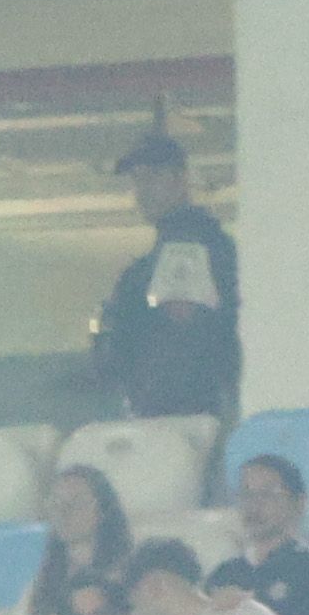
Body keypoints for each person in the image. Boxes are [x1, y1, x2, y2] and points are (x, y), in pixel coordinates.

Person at [92, 133, 242, 435]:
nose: (143, 190)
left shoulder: (190, 244)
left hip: (179, 417)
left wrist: (153, 409)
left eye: (154, 176)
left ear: (181, 179)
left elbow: (180, 343)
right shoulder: (161, 256)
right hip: (173, 414)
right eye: (137, 179)